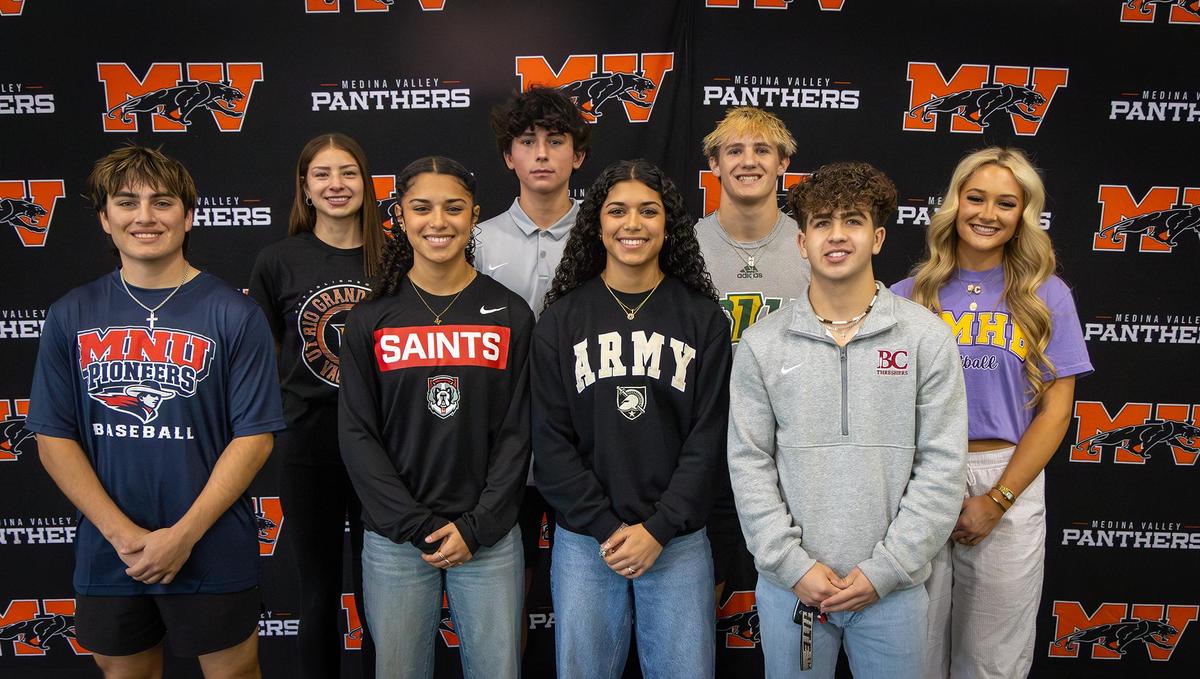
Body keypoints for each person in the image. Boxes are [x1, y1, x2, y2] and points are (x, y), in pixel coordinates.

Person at [26, 144, 285, 678]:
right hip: (109, 550)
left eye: (162, 202)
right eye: (127, 203)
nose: (145, 217)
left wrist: (183, 536)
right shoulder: (71, 313)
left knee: (234, 674)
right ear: (104, 219)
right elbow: (53, 436)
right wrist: (123, 536)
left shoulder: (234, 314)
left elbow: (255, 436)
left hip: (212, 545)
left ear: (188, 216)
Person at [727, 162, 966, 679]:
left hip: (892, 592)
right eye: (821, 223)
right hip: (792, 587)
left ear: (877, 237)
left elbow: (943, 468)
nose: (837, 235)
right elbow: (749, 465)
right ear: (801, 242)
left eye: (852, 221)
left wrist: (886, 571)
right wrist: (793, 566)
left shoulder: (926, 339)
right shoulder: (763, 344)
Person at [891, 147, 1092, 679]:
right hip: (921, 477)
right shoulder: (907, 295)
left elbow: (1056, 411)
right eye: (974, 197)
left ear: (1023, 215)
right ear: (953, 203)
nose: (987, 213)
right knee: (912, 656)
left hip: (1009, 475)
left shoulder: (1046, 294)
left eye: (1006, 203)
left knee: (992, 663)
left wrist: (997, 501)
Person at [533, 159, 732, 679]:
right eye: (617, 211)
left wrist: (659, 528)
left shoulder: (702, 318)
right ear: (596, 224)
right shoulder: (561, 319)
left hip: (675, 541)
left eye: (649, 211)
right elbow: (549, 441)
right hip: (585, 541)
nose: (633, 224)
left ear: (668, 225)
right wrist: (605, 527)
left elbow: (708, 439)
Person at [338, 156, 532, 679]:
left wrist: (479, 525)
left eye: (453, 208)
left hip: (487, 536)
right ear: (400, 216)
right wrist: (413, 523)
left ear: (473, 216)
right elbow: (357, 432)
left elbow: (520, 432)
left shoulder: (511, 312)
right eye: (421, 208)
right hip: (395, 538)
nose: (438, 222)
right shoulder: (371, 317)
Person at [248, 133, 383, 678]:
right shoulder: (278, 260)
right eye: (322, 174)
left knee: (383, 594)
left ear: (366, 182)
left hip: (384, 448)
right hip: (308, 445)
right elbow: (260, 356)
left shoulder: (394, 254)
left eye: (347, 172)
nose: (336, 185)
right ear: (304, 186)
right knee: (317, 591)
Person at [474, 87, 591, 642]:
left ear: (578, 155)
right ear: (508, 156)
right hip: (502, 448)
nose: (542, 153)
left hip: (588, 442)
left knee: (592, 599)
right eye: (527, 141)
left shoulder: (611, 235)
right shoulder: (476, 240)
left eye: (556, 140)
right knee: (503, 602)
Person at [695, 105, 812, 611]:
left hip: (793, 442)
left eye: (762, 149)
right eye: (734, 150)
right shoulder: (685, 246)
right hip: (706, 444)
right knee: (699, 588)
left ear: (784, 162)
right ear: (714, 165)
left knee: (800, 587)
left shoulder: (813, 245)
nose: (749, 160)